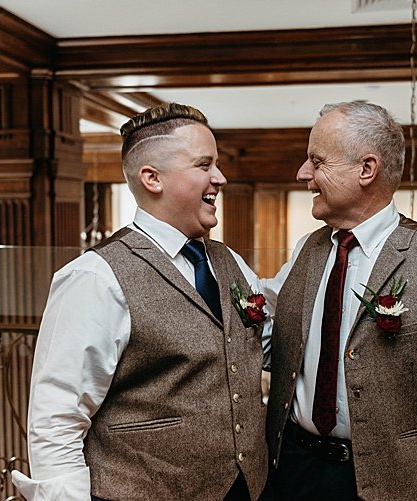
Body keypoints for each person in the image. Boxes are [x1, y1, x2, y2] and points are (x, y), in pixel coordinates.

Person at [13, 103, 268, 501]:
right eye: (204, 165)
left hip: (245, 489)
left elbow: (255, 344)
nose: (220, 177)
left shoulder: (228, 261)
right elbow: (57, 419)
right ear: (152, 178)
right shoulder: (95, 278)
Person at [260, 100, 417, 500]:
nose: (303, 174)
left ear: (366, 170)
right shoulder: (307, 249)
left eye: (316, 161)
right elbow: (270, 328)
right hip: (292, 467)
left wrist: (410, 440)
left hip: (388, 481)